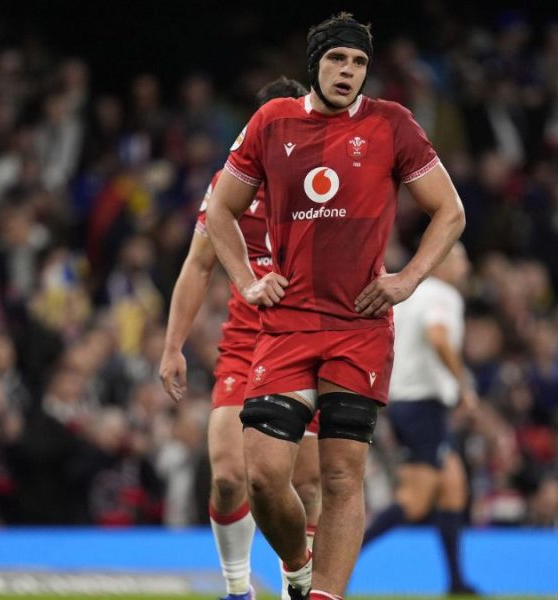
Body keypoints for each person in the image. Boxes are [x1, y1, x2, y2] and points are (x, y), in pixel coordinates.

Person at [207, 13, 465, 600]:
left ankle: (324, 595)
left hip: (359, 326)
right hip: (288, 323)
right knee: (262, 476)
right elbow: (221, 208)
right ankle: (299, 569)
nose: (348, 71)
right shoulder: (272, 121)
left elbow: (450, 211)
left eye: (359, 62)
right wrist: (248, 280)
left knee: (342, 476)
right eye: (337, 59)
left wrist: (408, 279)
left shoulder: (392, 124)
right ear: (314, 64)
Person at [159, 76, 322, 600]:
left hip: (312, 345)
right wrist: (172, 346)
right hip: (247, 346)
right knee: (230, 476)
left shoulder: (328, 180)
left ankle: (297, 587)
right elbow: (198, 265)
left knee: (305, 483)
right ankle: (237, 589)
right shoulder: (229, 186)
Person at [362, 242, 479, 596]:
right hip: (423, 405)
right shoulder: (442, 294)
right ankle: (339, 556)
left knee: (453, 486)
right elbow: (438, 336)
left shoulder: (409, 295)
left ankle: (456, 582)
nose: (465, 267)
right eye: (459, 259)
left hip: (407, 402)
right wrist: (463, 385)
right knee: (415, 500)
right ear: (440, 263)